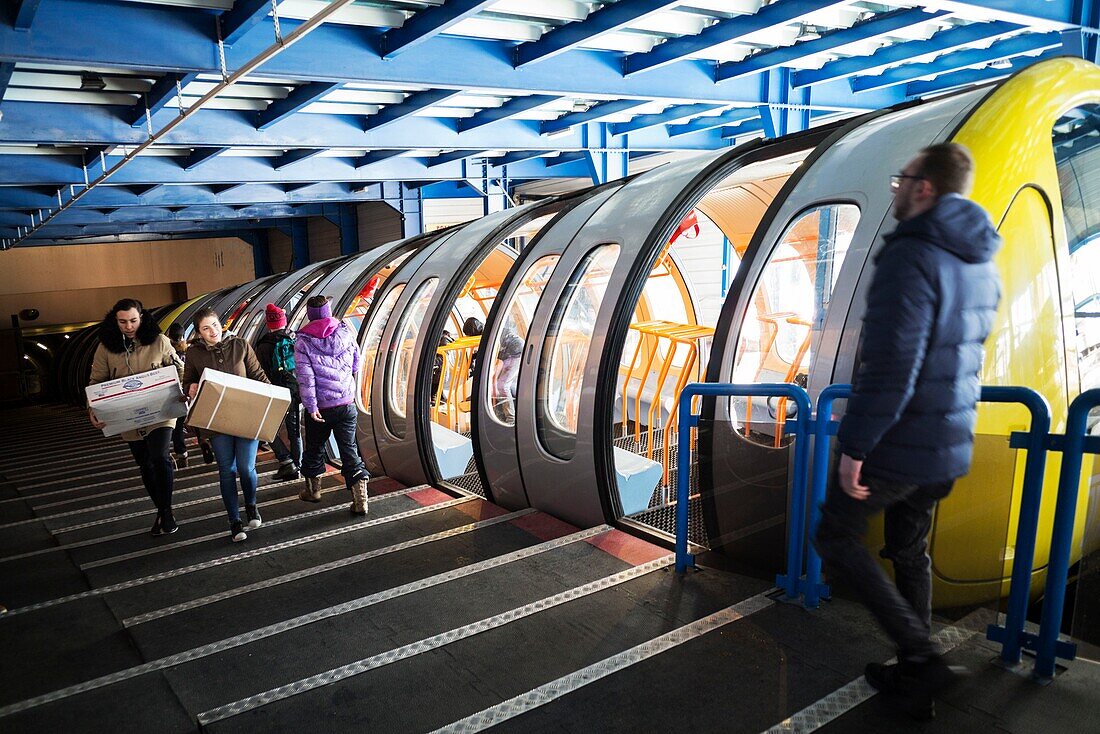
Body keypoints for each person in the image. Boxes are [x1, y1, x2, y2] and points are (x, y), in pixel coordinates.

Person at [813, 143, 1001, 719]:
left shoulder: (912, 253)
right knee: (908, 547)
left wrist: (857, 447)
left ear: (925, 188)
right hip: (947, 444)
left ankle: (923, 657)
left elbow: (894, 363)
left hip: (899, 443)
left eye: (903, 178)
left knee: (835, 538)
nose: (895, 187)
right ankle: (915, 670)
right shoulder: (980, 258)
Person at [87, 298, 184, 536]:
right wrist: (92, 410)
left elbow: (179, 368)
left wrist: (183, 390)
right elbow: (96, 382)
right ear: (115, 321)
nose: (129, 326)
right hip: (127, 416)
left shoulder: (160, 342)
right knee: (144, 463)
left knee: (160, 456)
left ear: (142, 318)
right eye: (122, 322)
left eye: (133, 320)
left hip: (161, 411)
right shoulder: (105, 348)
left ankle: (168, 511)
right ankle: (161, 510)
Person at [182, 307, 272, 543]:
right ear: (199, 333)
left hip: (246, 417)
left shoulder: (240, 345)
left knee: (245, 467)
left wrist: (273, 403)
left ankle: (251, 505)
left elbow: (259, 377)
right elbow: (187, 383)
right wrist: (189, 389)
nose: (212, 331)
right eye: (205, 328)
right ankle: (234, 520)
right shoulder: (194, 354)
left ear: (220, 323)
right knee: (226, 470)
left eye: (213, 325)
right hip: (216, 420)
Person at [295, 295, 369, 515]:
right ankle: (360, 499)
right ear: (328, 311)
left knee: (314, 449)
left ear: (310, 314)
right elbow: (357, 361)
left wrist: (311, 407)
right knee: (349, 450)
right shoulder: (345, 331)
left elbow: (306, 379)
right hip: (346, 403)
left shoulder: (303, 341)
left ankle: (314, 491)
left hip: (321, 407)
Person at [254, 304, 302, 481]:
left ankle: (286, 460)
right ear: (285, 321)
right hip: (294, 390)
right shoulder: (294, 338)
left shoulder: (263, 346)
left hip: (274, 391)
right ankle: (298, 466)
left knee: (267, 428)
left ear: (268, 323)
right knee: (294, 430)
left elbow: (260, 373)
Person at [166, 323, 189, 468]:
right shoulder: (187, 353)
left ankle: (171, 454)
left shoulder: (166, 353)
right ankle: (183, 454)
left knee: (169, 427)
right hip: (183, 394)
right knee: (180, 426)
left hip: (168, 395)